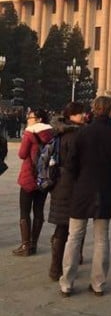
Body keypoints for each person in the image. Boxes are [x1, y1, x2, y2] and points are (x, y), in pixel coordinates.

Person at [59, 96, 111, 296]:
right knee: (101, 239)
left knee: (74, 237)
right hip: (105, 190)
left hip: (82, 189)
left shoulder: (82, 134)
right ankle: (98, 283)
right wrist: (109, 177)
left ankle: (67, 282)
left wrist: (81, 177)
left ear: (94, 110)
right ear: (110, 112)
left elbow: (70, 164)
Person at [46, 102, 87, 281]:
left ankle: (56, 267)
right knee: (73, 227)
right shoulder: (76, 135)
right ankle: (63, 264)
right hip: (73, 184)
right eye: (81, 113)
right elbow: (76, 162)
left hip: (58, 184)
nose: (84, 115)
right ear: (73, 116)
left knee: (61, 227)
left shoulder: (59, 133)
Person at [13, 109, 54, 256]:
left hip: (29, 176)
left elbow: (22, 154)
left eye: (30, 117)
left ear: (38, 119)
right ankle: (34, 244)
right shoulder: (51, 133)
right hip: (43, 178)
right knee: (38, 211)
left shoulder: (30, 133)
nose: (28, 119)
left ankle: (25, 245)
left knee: (25, 211)